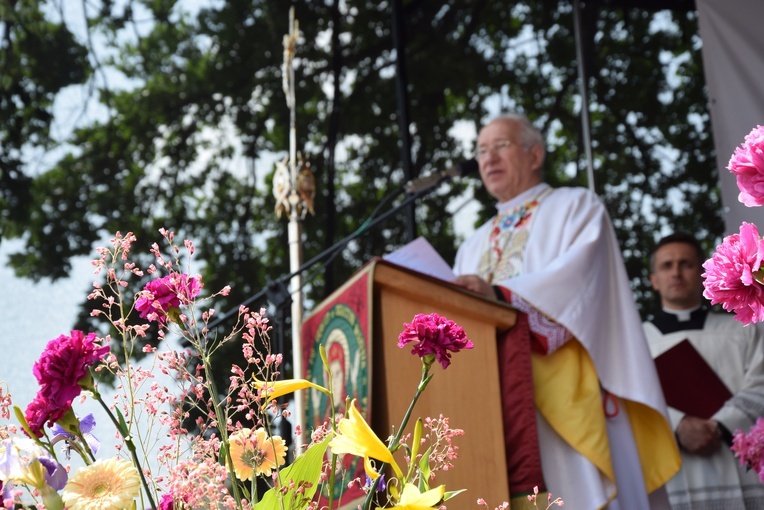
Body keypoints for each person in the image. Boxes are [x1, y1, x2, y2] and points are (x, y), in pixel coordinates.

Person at [452, 113, 680, 509]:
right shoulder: (470, 247)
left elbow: (580, 289)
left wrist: (500, 295)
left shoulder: (575, 206)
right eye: (481, 151)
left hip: (565, 396)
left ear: (534, 154)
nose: (488, 159)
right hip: (492, 403)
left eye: (501, 146)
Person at [643, 232, 764, 509]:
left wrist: (720, 426)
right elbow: (627, 401)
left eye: (685, 264)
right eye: (666, 265)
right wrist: (678, 425)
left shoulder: (742, 328)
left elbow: (762, 383)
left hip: (736, 465)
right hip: (670, 471)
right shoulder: (635, 340)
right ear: (654, 280)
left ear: (701, 274)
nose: (676, 272)